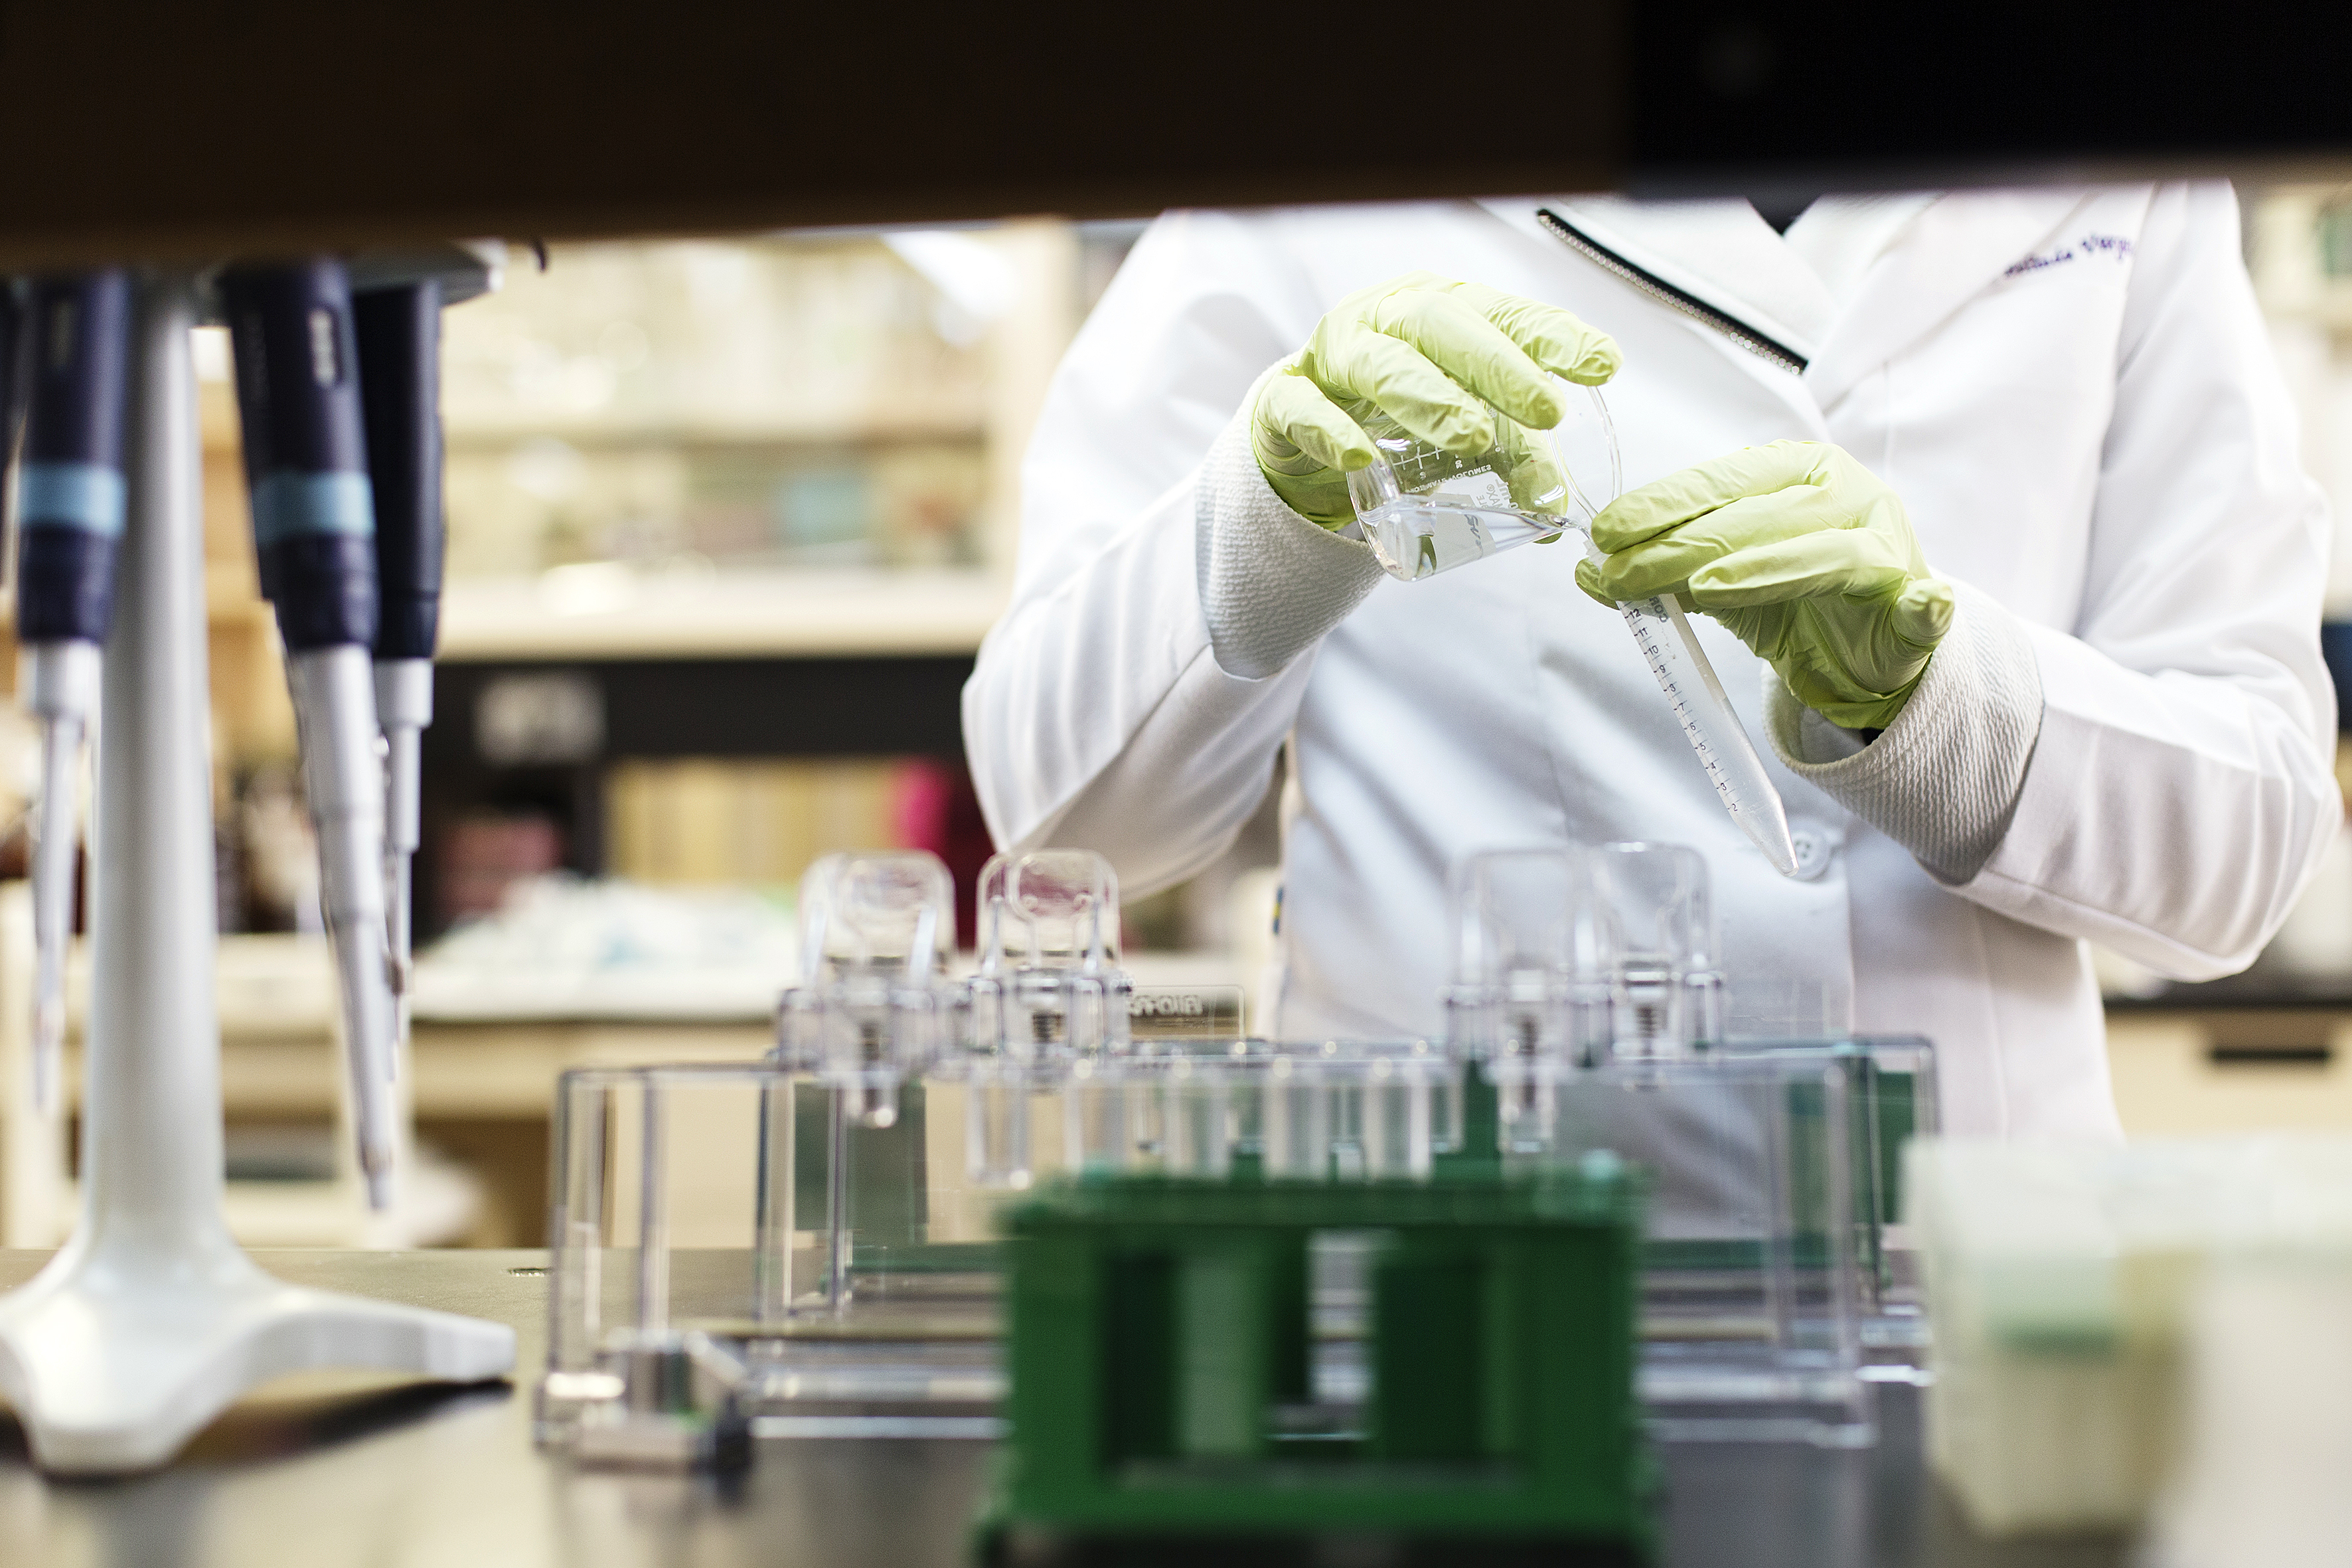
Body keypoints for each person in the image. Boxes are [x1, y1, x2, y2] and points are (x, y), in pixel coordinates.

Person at [963, 187, 2340, 1137]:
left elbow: (2245, 843)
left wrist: (1940, 706)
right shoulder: (1339, 94)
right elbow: (1060, 810)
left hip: (1968, 1269)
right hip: (1455, 1268)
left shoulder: (2117, 119)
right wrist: (1267, 520)